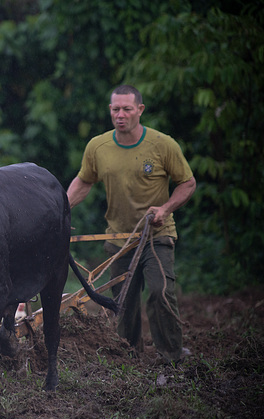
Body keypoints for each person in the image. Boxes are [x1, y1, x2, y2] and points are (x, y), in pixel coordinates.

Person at [66, 84, 196, 364]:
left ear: (140, 110)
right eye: (115, 109)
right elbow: (84, 181)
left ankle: (171, 355)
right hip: (119, 239)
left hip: (156, 234)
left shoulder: (163, 144)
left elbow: (187, 183)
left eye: (126, 109)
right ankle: (130, 355)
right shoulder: (98, 147)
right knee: (123, 302)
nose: (120, 115)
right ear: (110, 111)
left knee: (160, 292)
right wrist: (60, 208)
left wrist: (165, 207)